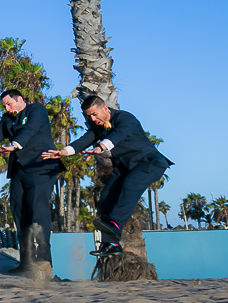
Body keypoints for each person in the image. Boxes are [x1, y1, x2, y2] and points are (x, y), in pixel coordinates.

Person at [42, 95, 172, 257]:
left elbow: (118, 135)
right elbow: (84, 140)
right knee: (106, 198)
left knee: (130, 185)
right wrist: (63, 152)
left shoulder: (125, 118)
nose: (92, 118)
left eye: (95, 114)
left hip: (149, 163)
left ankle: (115, 225)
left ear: (105, 108)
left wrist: (101, 146)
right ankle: (112, 244)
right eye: (88, 116)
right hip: (125, 167)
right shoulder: (97, 128)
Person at [0, 90, 62, 273]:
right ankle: (26, 262)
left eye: (9, 104)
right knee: (19, 212)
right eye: (4, 106)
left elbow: (30, 129)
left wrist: (14, 145)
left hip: (41, 166)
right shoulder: (7, 119)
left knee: (38, 210)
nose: (7, 109)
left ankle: (44, 263)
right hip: (19, 170)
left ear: (20, 99)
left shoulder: (36, 110)